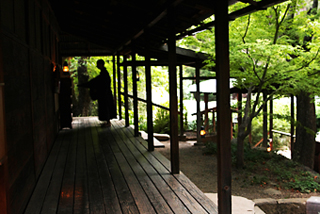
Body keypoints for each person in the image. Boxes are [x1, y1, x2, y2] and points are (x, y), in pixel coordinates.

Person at [78, 59, 117, 127]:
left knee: (106, 107)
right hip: (105, 93)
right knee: (105, 107)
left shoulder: (104, 74)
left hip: (105, 94)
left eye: (98, 64)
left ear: (101, 65)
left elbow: (98, 82)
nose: (97, 66)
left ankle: (108, 122)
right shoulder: (104, 73)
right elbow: (96, 81)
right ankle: (107, 121)